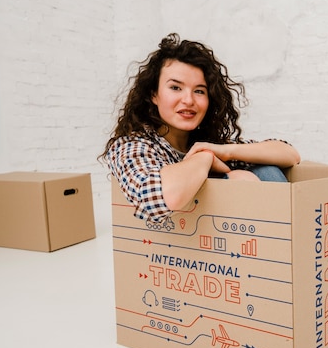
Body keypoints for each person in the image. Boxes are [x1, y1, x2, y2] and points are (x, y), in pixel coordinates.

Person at [100, 33, 300, 223]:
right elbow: (159, 199)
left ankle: (284, 243)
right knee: (241, 178)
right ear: (153, 94)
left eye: (199, 91)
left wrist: (224, 151)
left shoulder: (205, 141)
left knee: (266, 169)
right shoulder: (131, 146)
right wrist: (204, 158)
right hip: (179, 252)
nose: (188, 100)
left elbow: (289, 154)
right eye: (175, 87)